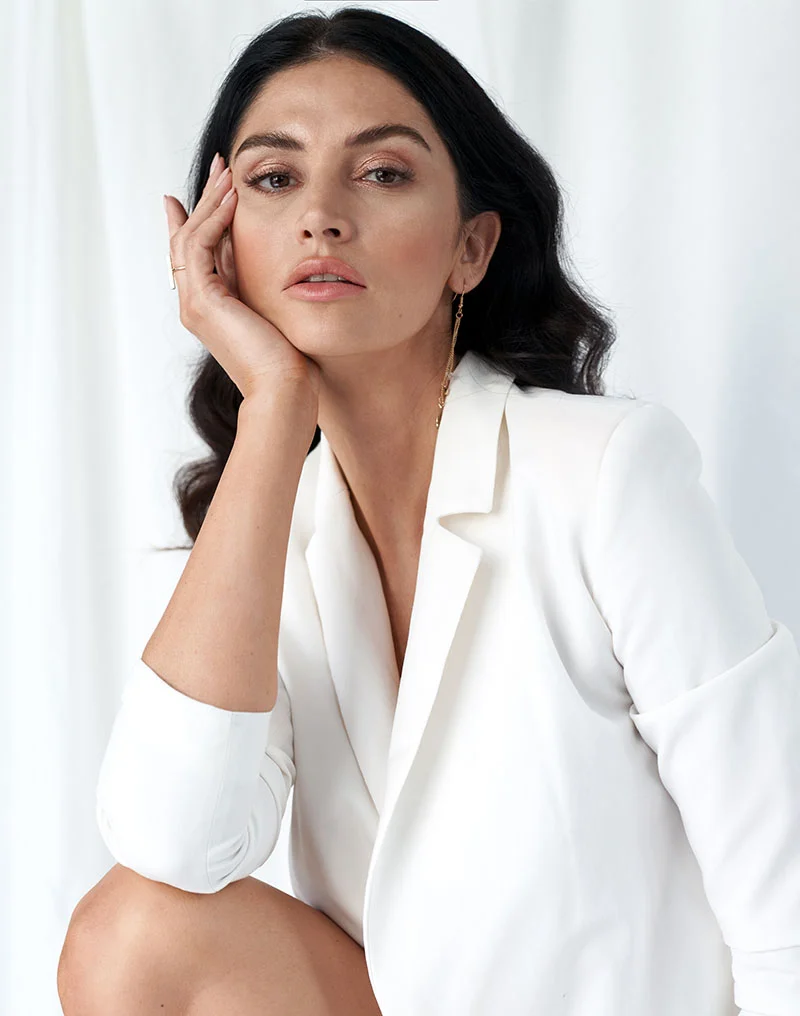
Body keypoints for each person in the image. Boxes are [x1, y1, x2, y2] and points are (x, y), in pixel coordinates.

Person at [58, 8, 800, 1015]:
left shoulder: (605, 474)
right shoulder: (275, 526)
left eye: (381, 172)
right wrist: (272, 409)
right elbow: (172, 841)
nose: (322, 215)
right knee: (129, 934)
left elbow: (781, 882)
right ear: (219, 250)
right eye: (273, 179)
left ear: (471, 249)